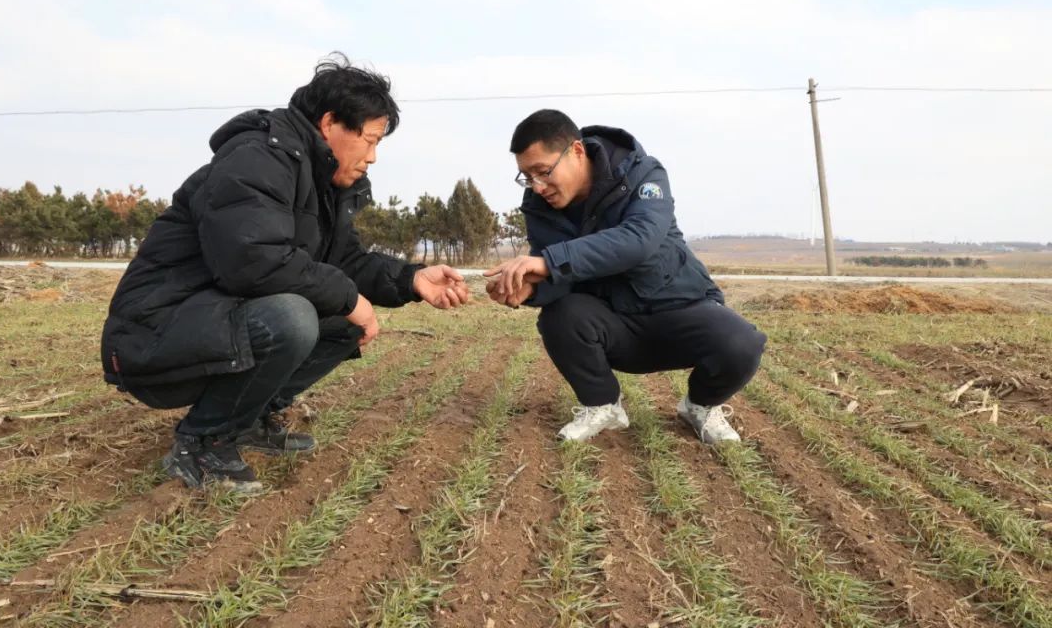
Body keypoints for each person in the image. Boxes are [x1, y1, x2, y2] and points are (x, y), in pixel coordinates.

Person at [101, 54, 469, 493]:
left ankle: (247, 419)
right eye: (369, 140)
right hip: (153, 332)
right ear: (330, 123)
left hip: (206, 321)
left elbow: (344, 262)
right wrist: (350, 299)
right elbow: (252, 260)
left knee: (341, 323)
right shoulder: (258, 159)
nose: (372, 157)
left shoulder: (320, 182)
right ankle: (202, 443)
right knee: (293, 317)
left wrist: (411, 279)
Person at [485, 109, 766, 443]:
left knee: (741, 343)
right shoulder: (539, 206)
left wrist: (548, 262)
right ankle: (603, 405)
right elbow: (560, 277)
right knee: (560, 316)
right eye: (527, 177)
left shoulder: (642, 174)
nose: (538, 186)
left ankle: (700, 406)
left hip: (677, 310)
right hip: (615, 325)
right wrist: (531, 291)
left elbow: (638, 239)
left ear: (577, 151)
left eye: (543, 172)